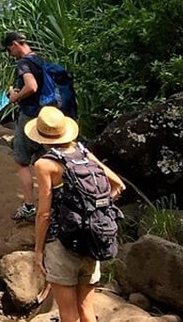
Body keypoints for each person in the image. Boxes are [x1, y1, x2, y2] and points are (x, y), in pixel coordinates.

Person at [29, 106, 126, 322]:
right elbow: (118, 185)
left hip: (61, 244)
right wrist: (94, 210)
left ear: (41, 137)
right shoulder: (84, 153)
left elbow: (43, 214)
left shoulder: (45, 164)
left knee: (68, 313)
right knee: (86, 309)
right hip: (92, 239)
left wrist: (37, 251)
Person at [4, 30, 48, 222]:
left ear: (15, 44)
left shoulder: (23, 63)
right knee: (46, 161)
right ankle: (53, 204)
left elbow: (31, 87)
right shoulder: (40, 60)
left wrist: (15, 97)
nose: (9, 53)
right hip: (48, 118)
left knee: (21, 162)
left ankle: (29, 206)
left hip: (30, 117)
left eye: (8, 49)